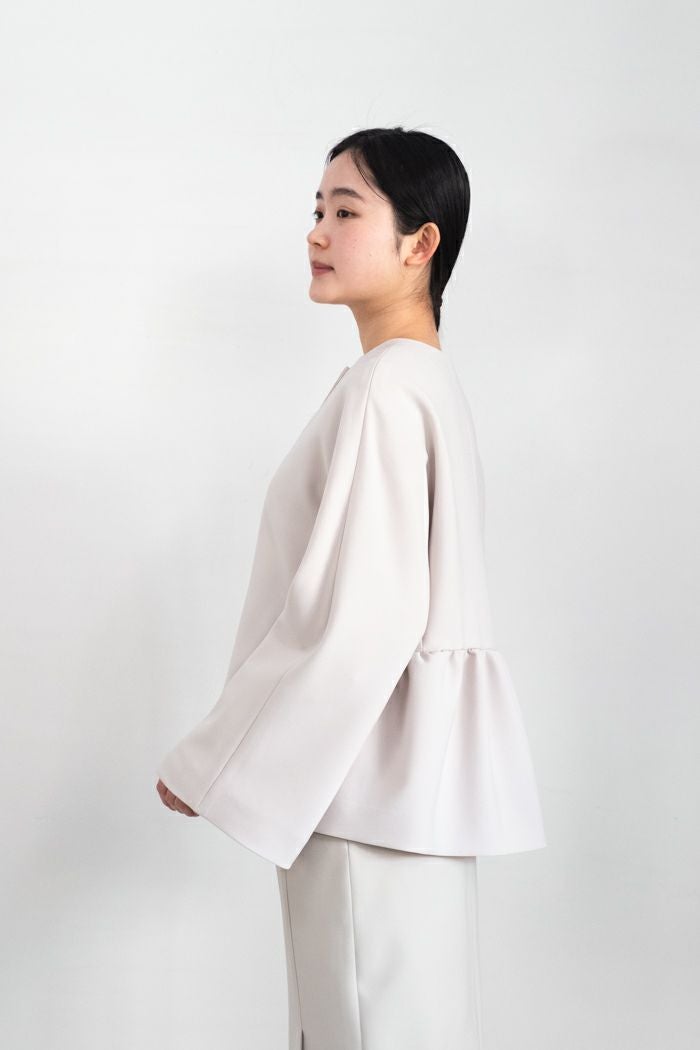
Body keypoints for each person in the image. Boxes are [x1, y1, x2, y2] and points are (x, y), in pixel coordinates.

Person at [156, 126, 547, 1050]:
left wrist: (210, 760)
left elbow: (363, 619)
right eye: (317, 210)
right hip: (409, 785)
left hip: (361, 780)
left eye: (346, 211)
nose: (317, 232)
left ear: (421, 243)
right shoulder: (425, 381)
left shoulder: (385, 386)